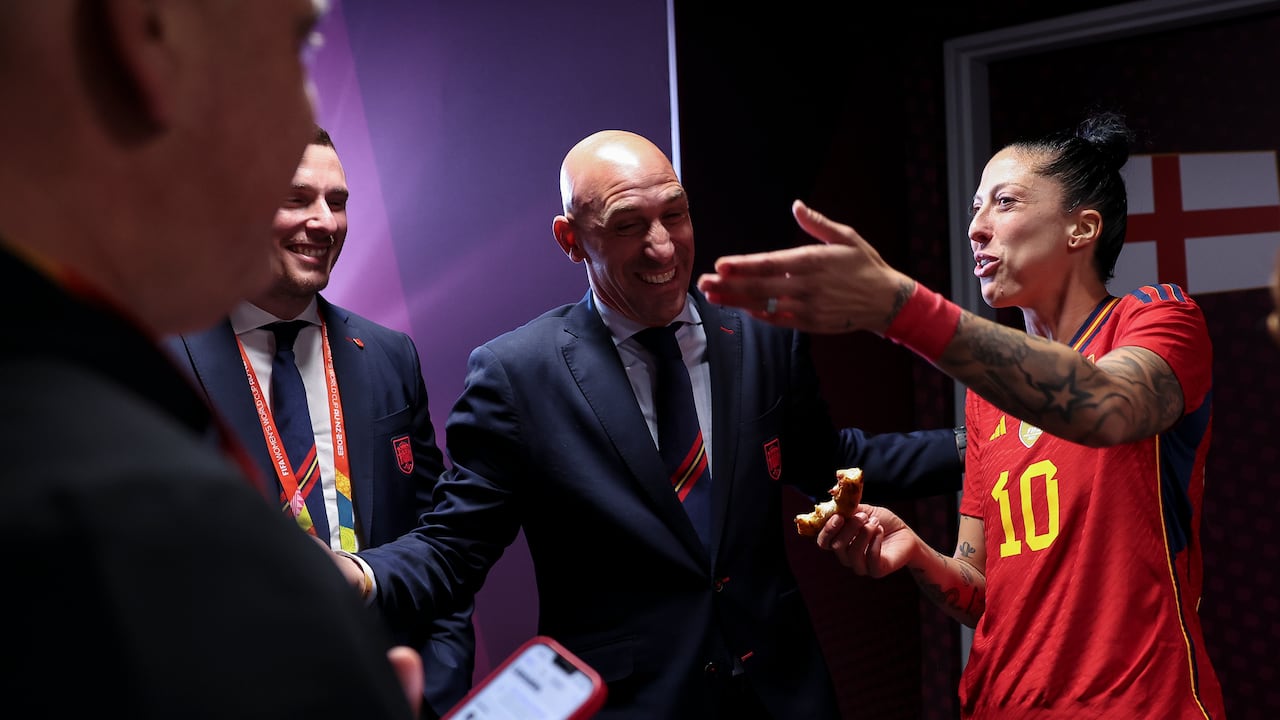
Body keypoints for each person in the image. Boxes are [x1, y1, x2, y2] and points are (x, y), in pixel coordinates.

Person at [340, 129, 964, 719]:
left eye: (676, 214)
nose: (663, 245)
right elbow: (453, 546)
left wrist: (981, 445)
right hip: (630, 704)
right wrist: (358, 576)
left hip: (781, 692)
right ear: (570, 239)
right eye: (628, 226)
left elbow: (831, 463)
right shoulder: (517, 375)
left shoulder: (763, 334)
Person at [698, 112, 1226, 717]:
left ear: (1082, 228)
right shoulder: (987, 396)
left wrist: (904, 309)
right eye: (976, 208)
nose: (976, 228)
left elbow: (1106, 405)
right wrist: (916, 552)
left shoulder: (1155, 317)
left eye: (1004, 202)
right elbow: (980, 594)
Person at [0, 2, 421, 717]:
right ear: (148, 34)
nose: (324, 222)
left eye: (337, 200)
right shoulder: (118, 493)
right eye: (298, 45)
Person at [166, 127, 476, 719]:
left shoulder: (389, 355)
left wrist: (431, 694)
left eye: (337, 202)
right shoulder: (161, 358)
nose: (325, 222)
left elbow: (440, 545)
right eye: (297, 198)